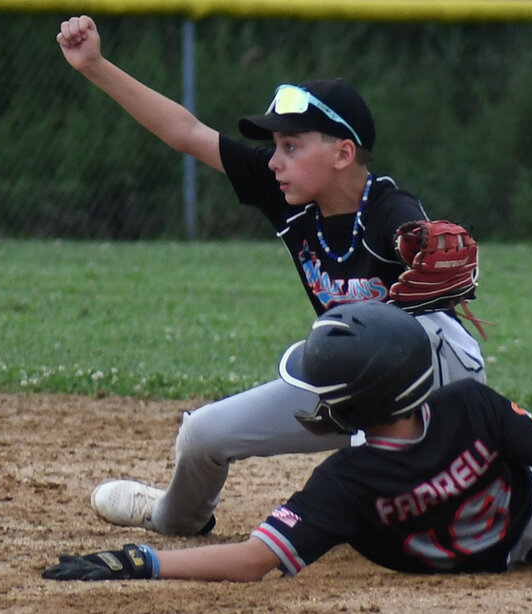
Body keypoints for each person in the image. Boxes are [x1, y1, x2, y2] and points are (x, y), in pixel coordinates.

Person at [56, 15, 486, 537]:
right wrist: (95, 66)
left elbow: (414, 234)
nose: (275, 161)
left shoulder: (389, 211)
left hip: (436, 383)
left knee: (368, 481)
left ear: (342, 153)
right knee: (202, 434)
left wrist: (424, 242)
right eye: (275, 146)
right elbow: (187, 134)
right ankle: (175, 515)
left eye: (291, 145)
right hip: (351, 379)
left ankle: (505, 491)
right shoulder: (286, 195)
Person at [42, 302, 532, 582]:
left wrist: (139, 562)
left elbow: (249, 561)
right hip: (516, 514)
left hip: (462, 563)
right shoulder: (471, 408)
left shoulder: (347, 481)